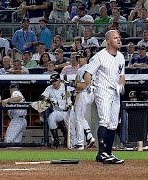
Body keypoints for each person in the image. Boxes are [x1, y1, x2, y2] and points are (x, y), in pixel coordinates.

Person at [84, 30, 125, 164]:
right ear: (108, 41)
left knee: (113, 123)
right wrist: (90, 86)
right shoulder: (100, 56)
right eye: (115, 38)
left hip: (115, 91)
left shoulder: (120, 57)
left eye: (119, 37)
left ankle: (108, 153)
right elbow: (88, 73)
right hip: (102, 90)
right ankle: (101, 153)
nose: (118, 40)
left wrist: (121, 85)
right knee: (105, 120)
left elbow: (122, 76)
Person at [40, 74, 76, 148]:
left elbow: (76, 92)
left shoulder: (66, 86)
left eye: (55, 81)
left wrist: (73, 98)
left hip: (68, 111)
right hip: (58, 111)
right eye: (52, 81)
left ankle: (74, 144)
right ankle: (56, 140)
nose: (54, 83)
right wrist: (47, 99)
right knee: (51, 118)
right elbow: (42, 96)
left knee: (71, 130)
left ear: (59, 80)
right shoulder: (49, 88)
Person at [73, 52, 96, 150]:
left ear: (86, 58)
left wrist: (73, 86)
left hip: (84, 94)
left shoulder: (86, 68)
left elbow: (83, 85)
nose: (79, 59)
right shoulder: (82, 69)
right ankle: (89, 135)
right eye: (78, 57)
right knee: (80, 117)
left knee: (78, 118)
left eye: (81, 57)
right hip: (89, 94)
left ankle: (80, 143)